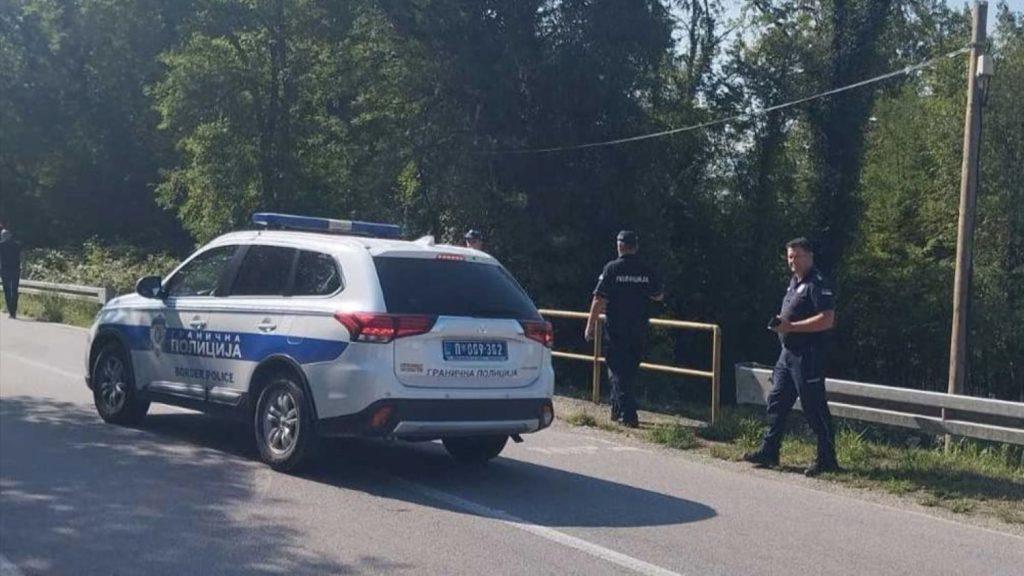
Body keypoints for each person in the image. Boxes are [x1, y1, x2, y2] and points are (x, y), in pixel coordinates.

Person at [744, 237, 839, 476]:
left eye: (796, 256)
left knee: (813, 406)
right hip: (788, 353)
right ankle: (770, 450)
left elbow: (827, 319)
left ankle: (827, 459)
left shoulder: (817, 283)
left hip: (809, 355)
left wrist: (792, 327)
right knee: (777, 400)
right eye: (789, 257)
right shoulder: (794, 282)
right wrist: (782, 323)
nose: (792, 262)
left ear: (809, 256)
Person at [585, 230, 663, 428]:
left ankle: (629, 414)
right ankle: (616, 409)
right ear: (636, 247)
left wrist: (590, 325)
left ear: (619, 246)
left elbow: (599, 299)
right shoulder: (646, 270)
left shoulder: (611, 269)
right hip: (639, 328)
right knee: (629, 370)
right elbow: (658, 295)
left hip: (616, 328)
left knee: (617, 370)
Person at [0, 224, 22, 319]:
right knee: (15, 290)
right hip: (16, 269)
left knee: (7, 290)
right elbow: (21, 257)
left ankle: (11, 311)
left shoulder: (1, 245)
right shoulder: (17, 244)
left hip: (5, 270)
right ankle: (14, 310)